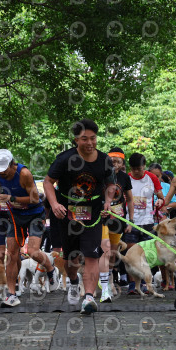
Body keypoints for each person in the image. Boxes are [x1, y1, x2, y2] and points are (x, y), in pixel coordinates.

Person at [44, 119, 116, 314]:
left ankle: (89, 297)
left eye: (93, 138)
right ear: (76, 140)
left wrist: (108, 202)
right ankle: (73, 282)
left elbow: (111, 185)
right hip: (67, 213)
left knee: (92, 255)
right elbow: (48, 182)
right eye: (85, 139)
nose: (90, 143)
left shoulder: (104, 160)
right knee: (71, 259)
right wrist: (54, 204)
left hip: (93, 213)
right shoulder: (64, 159)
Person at [0, 149, 54, 308]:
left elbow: (36, 199)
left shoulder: (24, 174)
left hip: (35, 215)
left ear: (11, 164)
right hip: (15, 216)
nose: (2, 174)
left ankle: (50, 267)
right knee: (12, 253)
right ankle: (11, 294)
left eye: (4, 170)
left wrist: (11, 198)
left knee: (32, 252)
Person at [125, 153, 164, 294]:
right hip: (131, 222)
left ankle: (145, 283)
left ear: (144, 166)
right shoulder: (126, 178)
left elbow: (161, 196)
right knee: (131, 253)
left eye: (139, 168)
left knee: (146, 254)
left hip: (148, 222)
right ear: (130, 168)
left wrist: (160, 201)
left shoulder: (151, 178)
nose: (137, 171)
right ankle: (132, 284)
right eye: (134, 169)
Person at [102, 147, 134, 301]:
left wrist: (131, 221)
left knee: (113, 254)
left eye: (117, 161)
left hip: (119, 220)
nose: (114, 164)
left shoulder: (124, 177)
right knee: (105, 250)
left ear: (122, 164)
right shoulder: (101, 175)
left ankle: (109, 281)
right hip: (102, 219)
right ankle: (104, 286)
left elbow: (130, 199)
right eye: (112, 161)